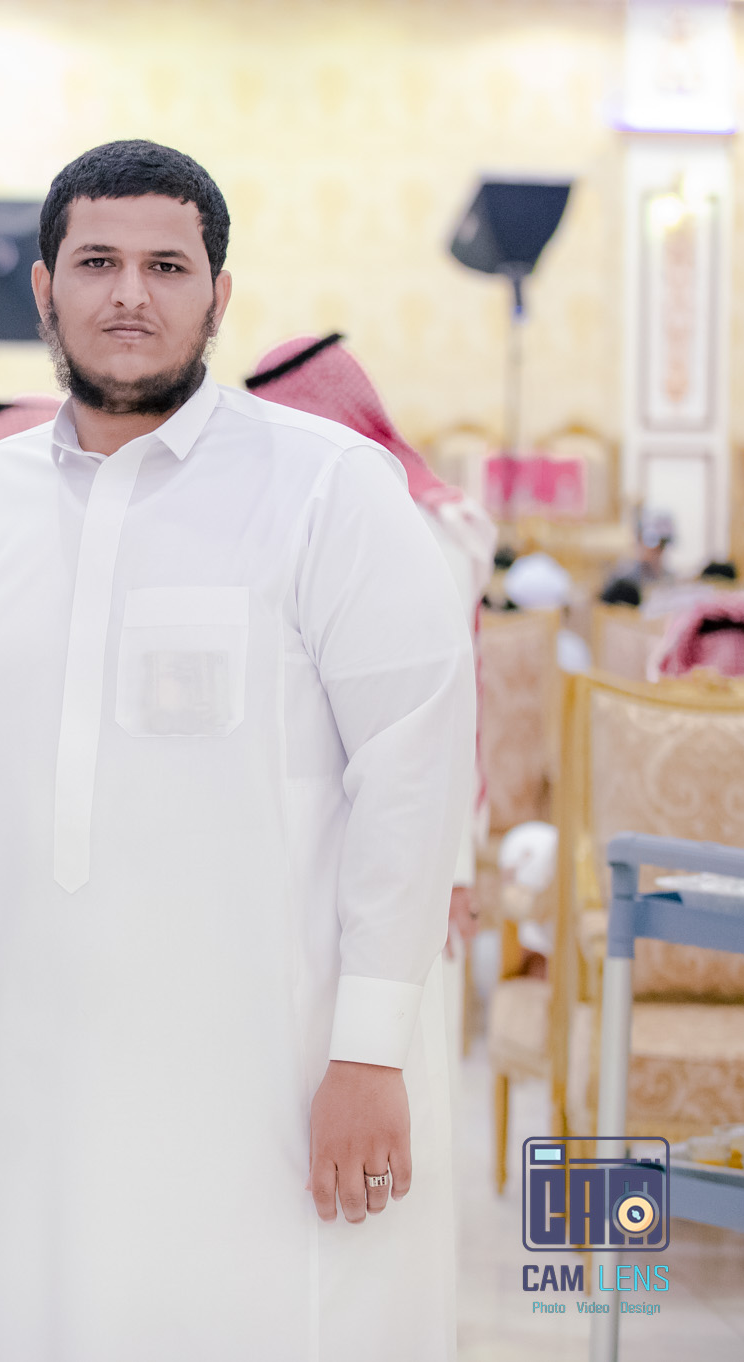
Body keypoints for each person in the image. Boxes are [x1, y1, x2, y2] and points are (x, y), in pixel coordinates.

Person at [0, 141, 475, 1362]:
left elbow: (412, 767)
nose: (130, 295)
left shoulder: (328, 488)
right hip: (24, 1065)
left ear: (218, 297)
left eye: (166, 267)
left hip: (261, 1063)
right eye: (96, 263)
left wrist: (367, 1050)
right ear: (43, 289)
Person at [245, 334, 495, 990]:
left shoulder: (423, 526)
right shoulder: (286, 523)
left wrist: (454, 869)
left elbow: (437, 715)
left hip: (404, 832)